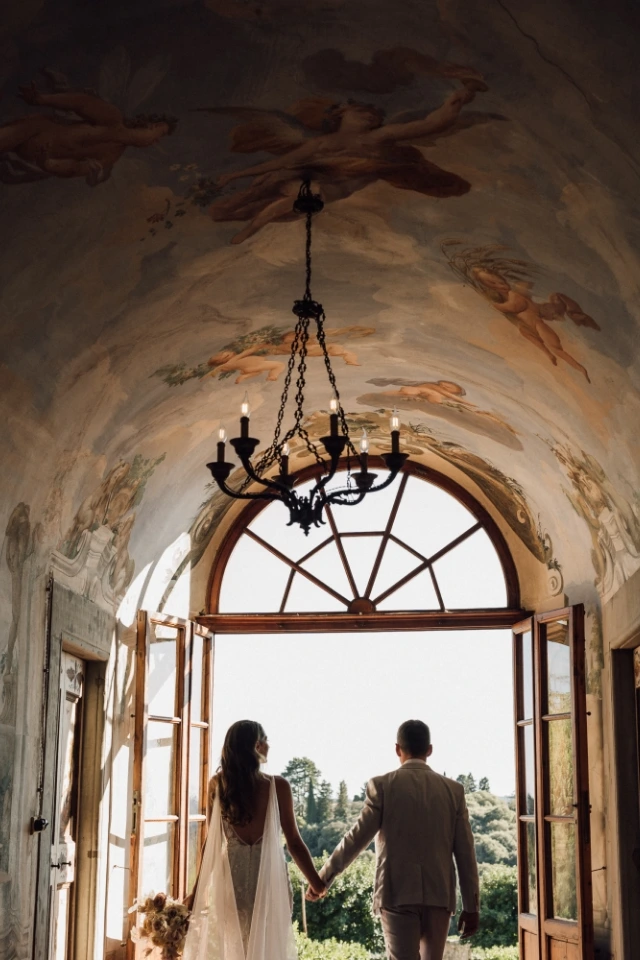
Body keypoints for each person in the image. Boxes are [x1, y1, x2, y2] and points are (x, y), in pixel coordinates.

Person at [309, 720, 479, 960]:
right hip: (439, 894)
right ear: (429, 750)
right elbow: (465, 852)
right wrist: (472, 907)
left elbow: (356, 839)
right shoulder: (453, 790)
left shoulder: (382, 786)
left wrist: (323, 878)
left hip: (396, 891)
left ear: (398, 749)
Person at [183, 719, 325, 960]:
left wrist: (196, 894)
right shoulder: (277, 786)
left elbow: (212, 845)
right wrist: (317, 882)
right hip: (270, 883)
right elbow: (294, 842)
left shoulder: (218, 785)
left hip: (233, 886)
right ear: (257, 746)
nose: (269, 746)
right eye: (266, 740)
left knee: (236, 949)